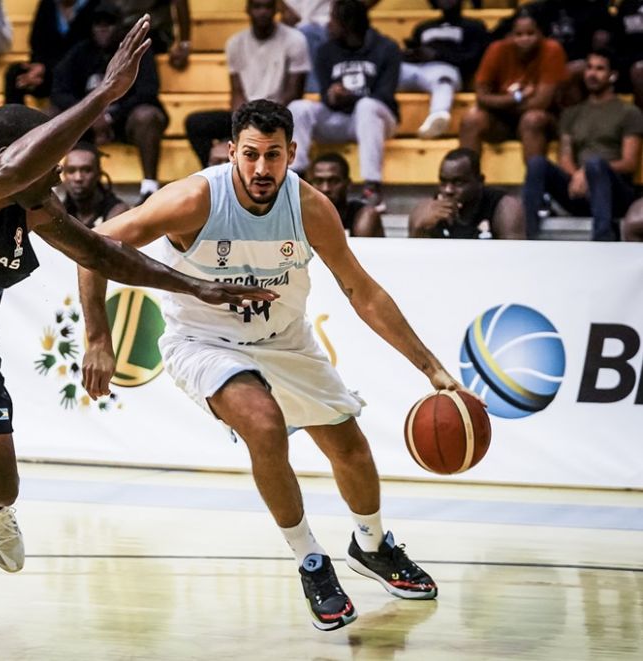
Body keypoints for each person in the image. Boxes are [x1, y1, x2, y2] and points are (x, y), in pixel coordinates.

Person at [0, 18, 273, 640]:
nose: (60, 179)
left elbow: (99, 253)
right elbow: (5, 173)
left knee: (3, 488)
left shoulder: (31, 206)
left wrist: (195, 285)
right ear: (15, 161)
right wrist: (106, 93)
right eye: (50, 164)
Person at [79, 99, 459, 632]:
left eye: (273, 155)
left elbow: (362, 291)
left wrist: (430, 367)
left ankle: (372, 545)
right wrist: (98, 337)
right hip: (204, 341)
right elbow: (95, 246)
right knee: (264, 423)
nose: (262, 168)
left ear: (292, 154)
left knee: (350, 447)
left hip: (286, 340)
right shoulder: (195, 199)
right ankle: (311, 560)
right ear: (232, 151)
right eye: (251, 155)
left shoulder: (310, 207)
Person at [288, 0, 400, 212]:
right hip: (339, 117)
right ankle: (295, 179)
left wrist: (352, 97)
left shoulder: (387, 48)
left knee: (367, 106)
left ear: (347, 25)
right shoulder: (325, 50)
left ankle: (372, 187)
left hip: (377, 119)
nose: (328, 25)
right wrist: (332, 96)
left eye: (333, 20)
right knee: (299, 107)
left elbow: (384, 95)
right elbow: (325, 95)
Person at [522, 49, 643, 241]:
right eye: (589, 68)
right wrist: (578, 177)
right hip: (578, 190)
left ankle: (602, 239)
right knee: (537, 163)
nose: (592, 74)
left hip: (614, 193)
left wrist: (587, 171)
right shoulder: (571, 113)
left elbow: (629, 163)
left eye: (599, 69)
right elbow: (565, 156)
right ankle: (527, 236)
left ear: (612, 75)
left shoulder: (629, 112)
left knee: (595, 164)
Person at [52, 3, 167, 205]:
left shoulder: (137, 51)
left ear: (121, 26)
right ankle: (46, 183)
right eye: (98, 23)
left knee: (147, 116)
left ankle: (149, 187)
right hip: (86, 125)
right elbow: (58, 91)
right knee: (49, 116)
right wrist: (89, 115)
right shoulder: (79, 52)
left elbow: (148, 92)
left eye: (109, 23)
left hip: (124, 121)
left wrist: (110, 116)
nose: (103, 28)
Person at [183, 0, 310, 168]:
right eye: (257, 7)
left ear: (275, 10)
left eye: (267, 7)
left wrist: (267, 116)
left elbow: (294, 92)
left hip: (280, 112)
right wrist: (243, 121)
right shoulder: (235, 43)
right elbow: (237, 91)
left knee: (295, 114)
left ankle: (291, 173)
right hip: (248, 111)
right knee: (195, 123)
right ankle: (214, 172)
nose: (263, 12)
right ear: (248, 9)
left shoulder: (295, 40)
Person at [459, 7, 568, 164]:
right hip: (503, 120)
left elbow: (541, 103)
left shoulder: (552, 49)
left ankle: (536, 179)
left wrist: (497, 102)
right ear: (510, 35)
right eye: (519, 34)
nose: (525, 39)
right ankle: (465, 175)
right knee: (471, 119)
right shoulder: (496, 49)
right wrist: (518, 97)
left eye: (530, 33)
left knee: (532, 119)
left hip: (544, 122)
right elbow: (481, 97)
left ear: (541, 34)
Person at [399, 0, 489, 139]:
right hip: (417, 68)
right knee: (389, 68)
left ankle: (438, 115)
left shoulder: (473, 26)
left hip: (446, 68)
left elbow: (474, 58)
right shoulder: (423, 27)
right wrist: (412, 54)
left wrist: (438, 55)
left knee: (444, 78)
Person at [409, 147, 525, 239]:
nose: (448, 190)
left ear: (480, 181)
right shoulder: (424, 212)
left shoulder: (505, 208)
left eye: (458, 182)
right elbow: (414, 258)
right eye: (443, 182)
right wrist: (420, 230)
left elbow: (514, 256)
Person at [2, 0, 100, 106]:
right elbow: (36, 42)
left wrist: (47, 67)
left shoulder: (96, 6)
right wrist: (37, 67)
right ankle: (14, 116)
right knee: (16, 74)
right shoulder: (48, 4)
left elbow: (90, 49)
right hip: (48, 73)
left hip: (78, 72)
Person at [307, 152, 383, 236]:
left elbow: (359, 244)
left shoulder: (364, 215)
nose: (326, 188)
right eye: (318, 181)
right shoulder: (302, 214)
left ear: (348, 184)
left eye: (334, 181)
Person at [61, 142, 130, 228]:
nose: (78, 178)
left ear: (99, 174)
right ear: (64, 175)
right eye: (71, 171)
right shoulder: (60, 211)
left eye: (87, 170)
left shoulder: (117, 211)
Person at [112, 0, 191, 69]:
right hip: (119, 33)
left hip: (153, 33)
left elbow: (180, 2)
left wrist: (184, 45)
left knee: (142, 45)